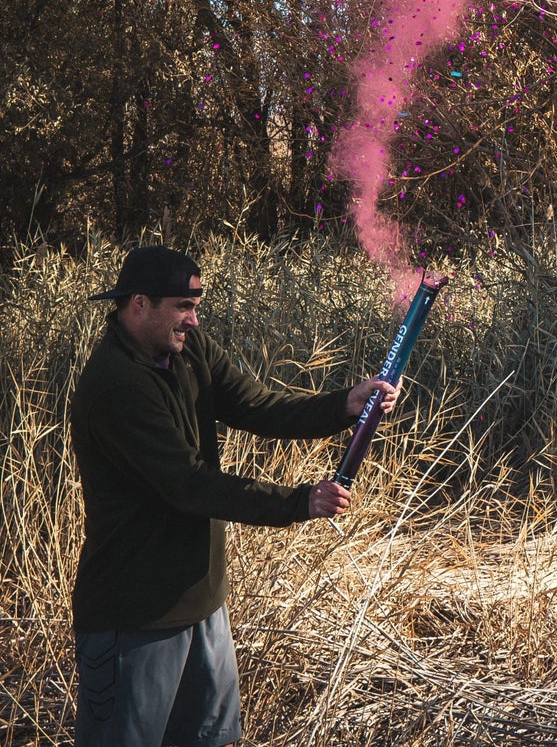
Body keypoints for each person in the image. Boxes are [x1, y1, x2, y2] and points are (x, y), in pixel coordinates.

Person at [70, 244, 400, 747]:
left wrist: (343, 405)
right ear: (139, 303)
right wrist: (297, 502)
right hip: (134, 619)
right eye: (183, 306)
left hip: (203, 604)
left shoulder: (187, 350)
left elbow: (257, 406)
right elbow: (189, 485)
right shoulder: (116, 387)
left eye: (196, 306)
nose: (194, 320)